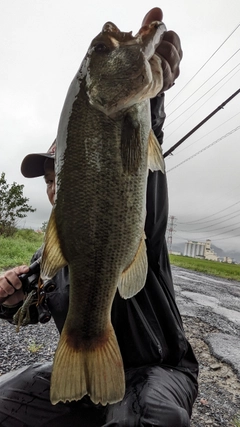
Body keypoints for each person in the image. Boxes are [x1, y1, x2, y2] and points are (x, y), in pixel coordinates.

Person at [0, 7, 198, 427]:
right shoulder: (52, 256)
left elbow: (140, 166)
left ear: (84, 170)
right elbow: (29, 306)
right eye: (49, 179)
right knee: (5, 401)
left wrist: (155, 100)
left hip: (157, 370)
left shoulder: (139, 213)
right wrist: (7, 297)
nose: (55, 184)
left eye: (62, 171)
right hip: (88, 365)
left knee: (148, 419)